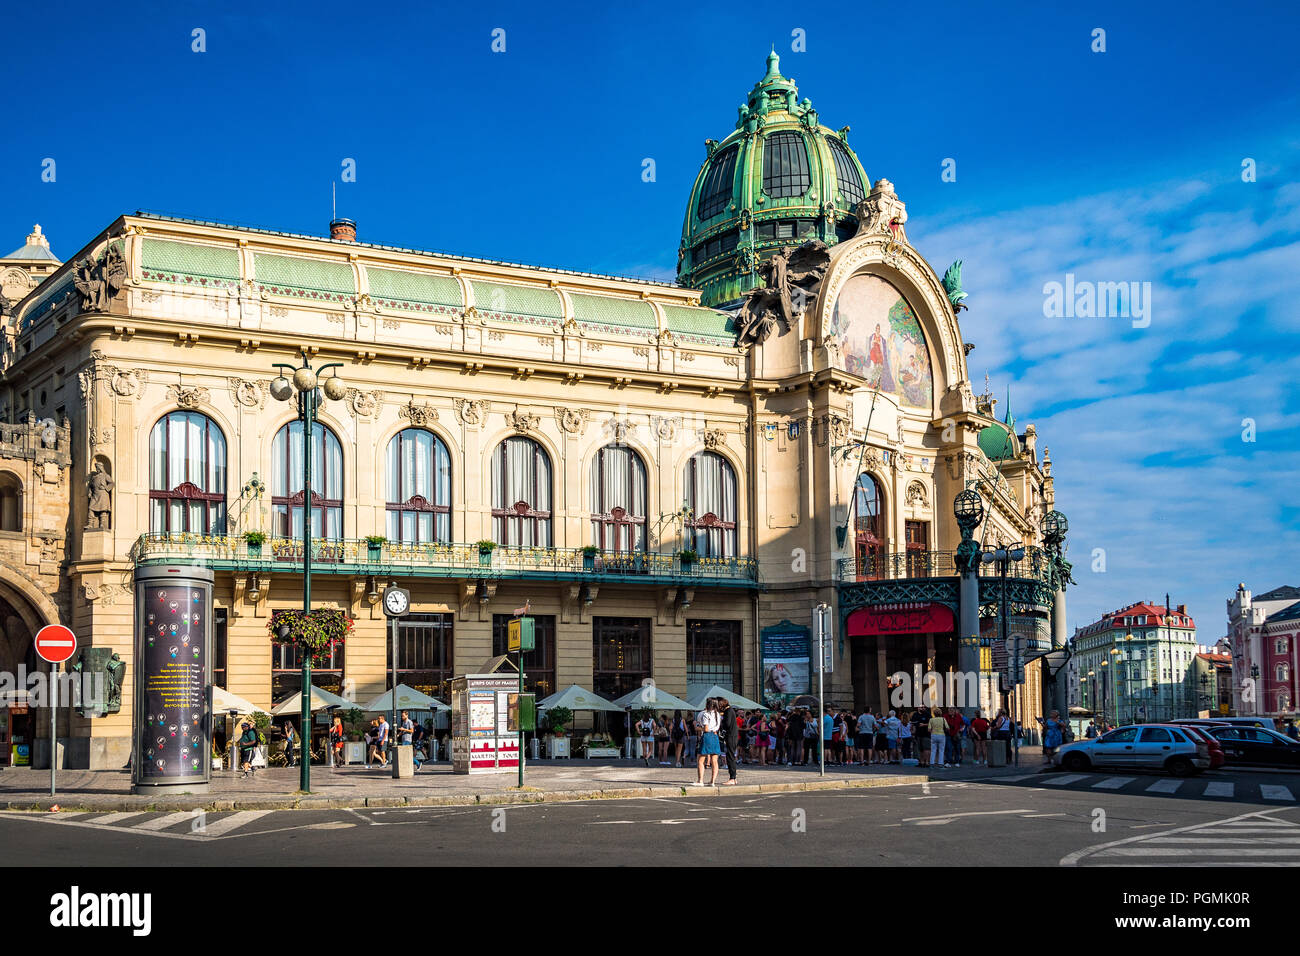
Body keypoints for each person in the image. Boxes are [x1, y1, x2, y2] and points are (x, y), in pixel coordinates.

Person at [695, 699, 722, 786]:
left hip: (707, 736)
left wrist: (698, 728)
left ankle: (700, 781)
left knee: (701, 760)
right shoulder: (718, 714)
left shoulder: (706, 714)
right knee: (714, 760)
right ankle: (712, 781)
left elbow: (706, 729)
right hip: (715, 736)